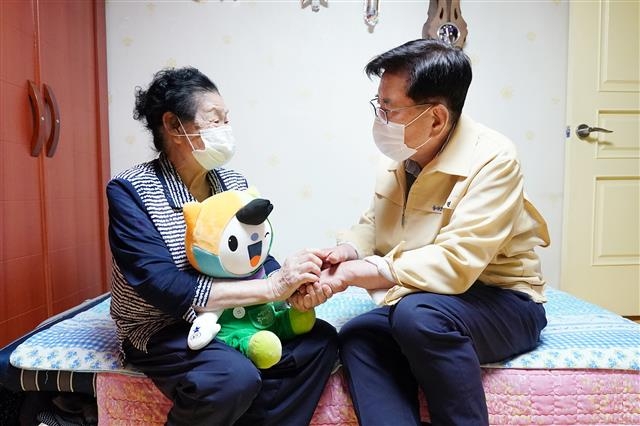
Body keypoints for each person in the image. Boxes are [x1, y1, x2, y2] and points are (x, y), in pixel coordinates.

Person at [290, 39, 550, 425]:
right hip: (428, 297)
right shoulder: (402, 157)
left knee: (416, 316)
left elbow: (456, 262)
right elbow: (375, 223)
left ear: (437, 118)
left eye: (389, 109)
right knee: (360, 334)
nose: (380, 119)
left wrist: (356, 274)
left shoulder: (495, 160)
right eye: (378, 106)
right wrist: (345, 254)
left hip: (502, 300)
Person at [106, 66, 338, 426]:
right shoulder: (131, 189)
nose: (226, 129)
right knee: (231, 377)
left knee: (320, 339)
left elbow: (257, 257)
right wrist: (270, 287)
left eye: (226, 120)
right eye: (215, 120)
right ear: (173, 125)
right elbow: (160, 284)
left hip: (238, 315)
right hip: (165, 324)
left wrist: (293, 289)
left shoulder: (232, 182)